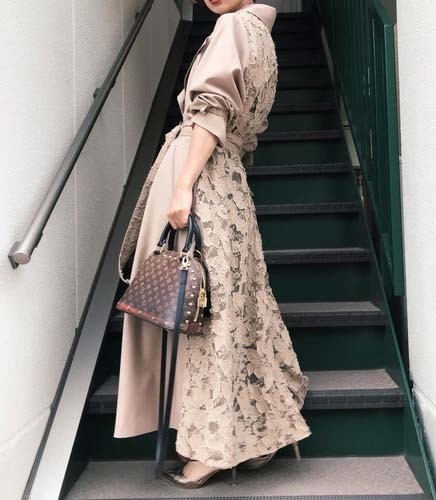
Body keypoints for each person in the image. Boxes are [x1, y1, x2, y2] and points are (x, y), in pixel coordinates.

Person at [114, 0, 312, 489]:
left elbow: (212, 110)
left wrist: (182, 186)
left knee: (203, 315)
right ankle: (255, 435)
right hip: (229, 184)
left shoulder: (232, 27)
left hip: (202, 181)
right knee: (232, 310)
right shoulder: (262, 36)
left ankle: (211, 449)